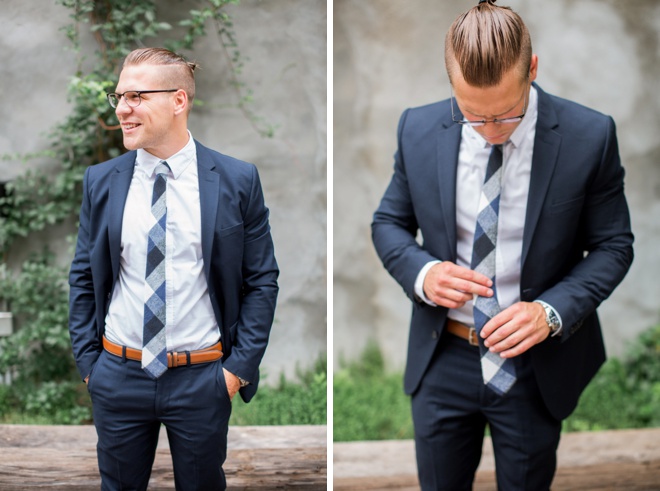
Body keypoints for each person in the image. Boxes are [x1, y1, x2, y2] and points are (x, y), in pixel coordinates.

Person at [371, 1, 634, 489]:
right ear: (450, 80)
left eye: (507, 113)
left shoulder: (590, 136)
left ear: (532, 69)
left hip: (535, 365)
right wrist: (425, 274)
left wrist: (550, 311)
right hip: (443, 357)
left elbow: (614, 245)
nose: (491, 131)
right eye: (473, 115)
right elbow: (388, 222)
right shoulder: (417, 128)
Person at [68, 47, 279, 490]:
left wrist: (236, 370)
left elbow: (261, 279)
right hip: (118, 375)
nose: (123, 108)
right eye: (119, 96)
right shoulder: (101, 181)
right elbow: (83, 276)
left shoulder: (238, 180)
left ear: (178, 100)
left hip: (202, 378)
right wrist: (92, 365)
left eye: (137, 96)